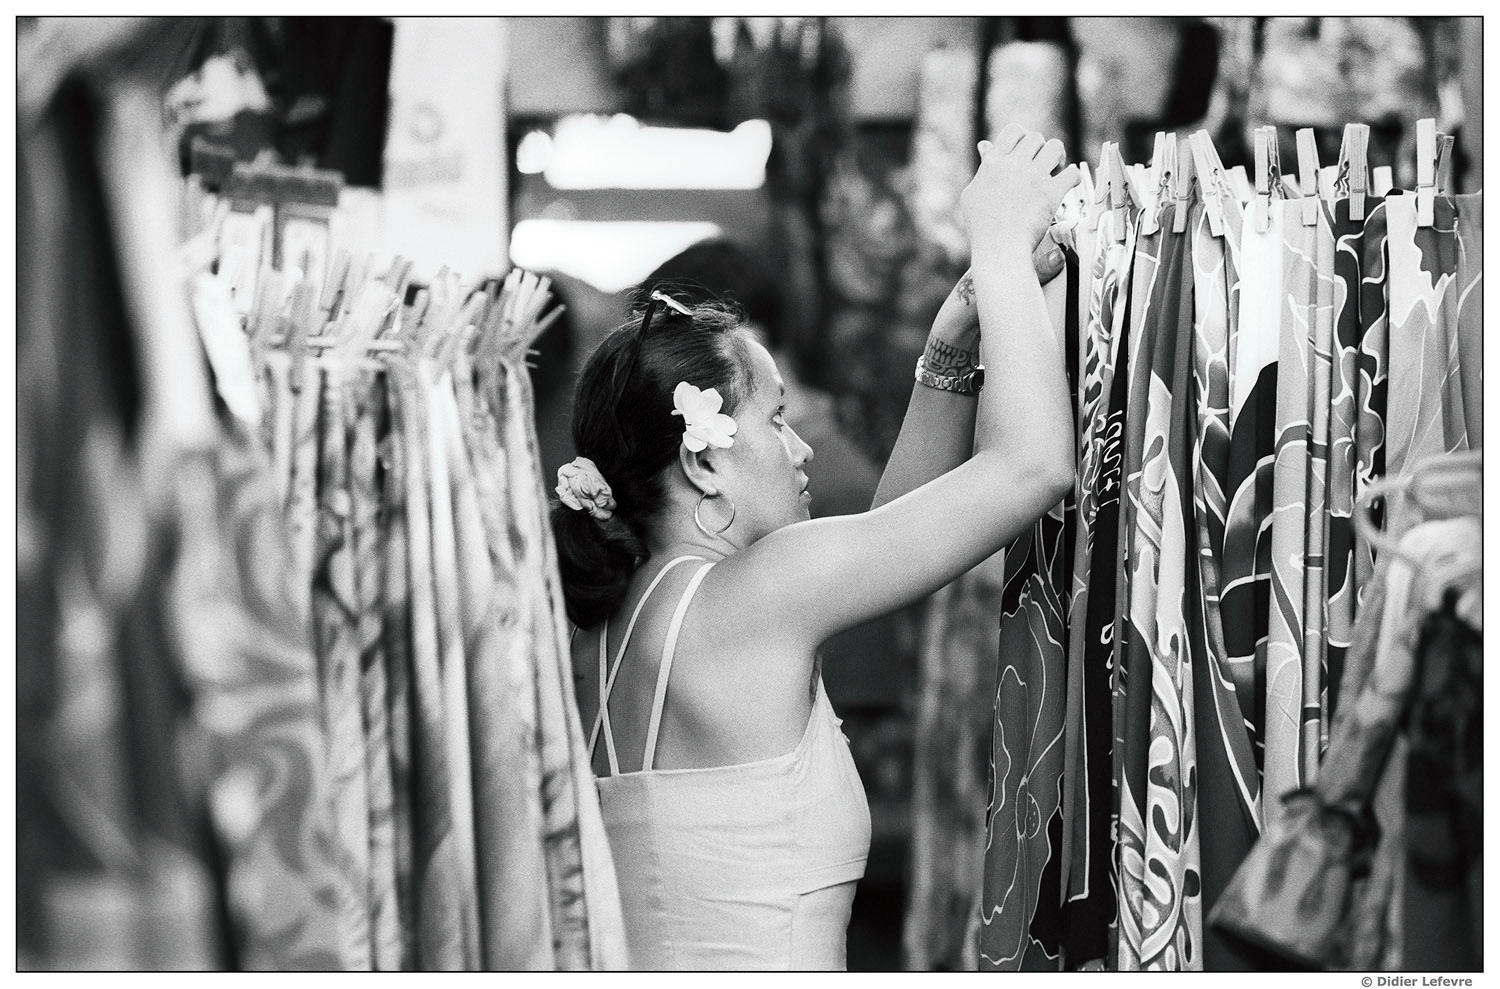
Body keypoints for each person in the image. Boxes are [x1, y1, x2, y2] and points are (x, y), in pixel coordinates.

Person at [551, 125, 1078, 970]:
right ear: (703, 460)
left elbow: (884, 542)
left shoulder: (629, 621)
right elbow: (1033, 466)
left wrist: (950, 347)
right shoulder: (752, 595)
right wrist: (998, 237)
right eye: (776, 419)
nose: (800, 449)